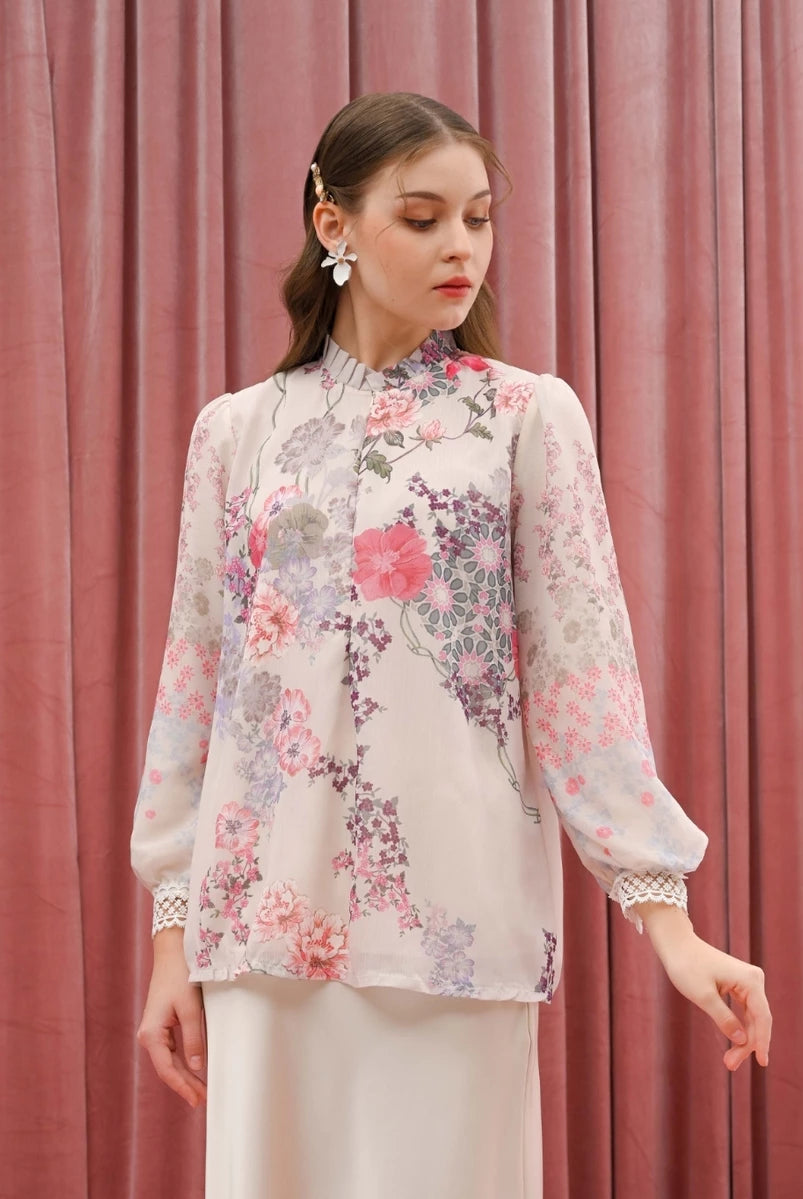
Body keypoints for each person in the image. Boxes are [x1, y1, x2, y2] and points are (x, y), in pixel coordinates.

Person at [131, 92, 771, 1198]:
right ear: (332, 224)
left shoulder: (524, 418)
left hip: (450, 930)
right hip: (261, 938)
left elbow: (582, 681)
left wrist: (671, 928)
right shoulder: (236, 433)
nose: (459, 246)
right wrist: (169, 940)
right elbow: (197, 691)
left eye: (476, 217)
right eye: (421, 217)